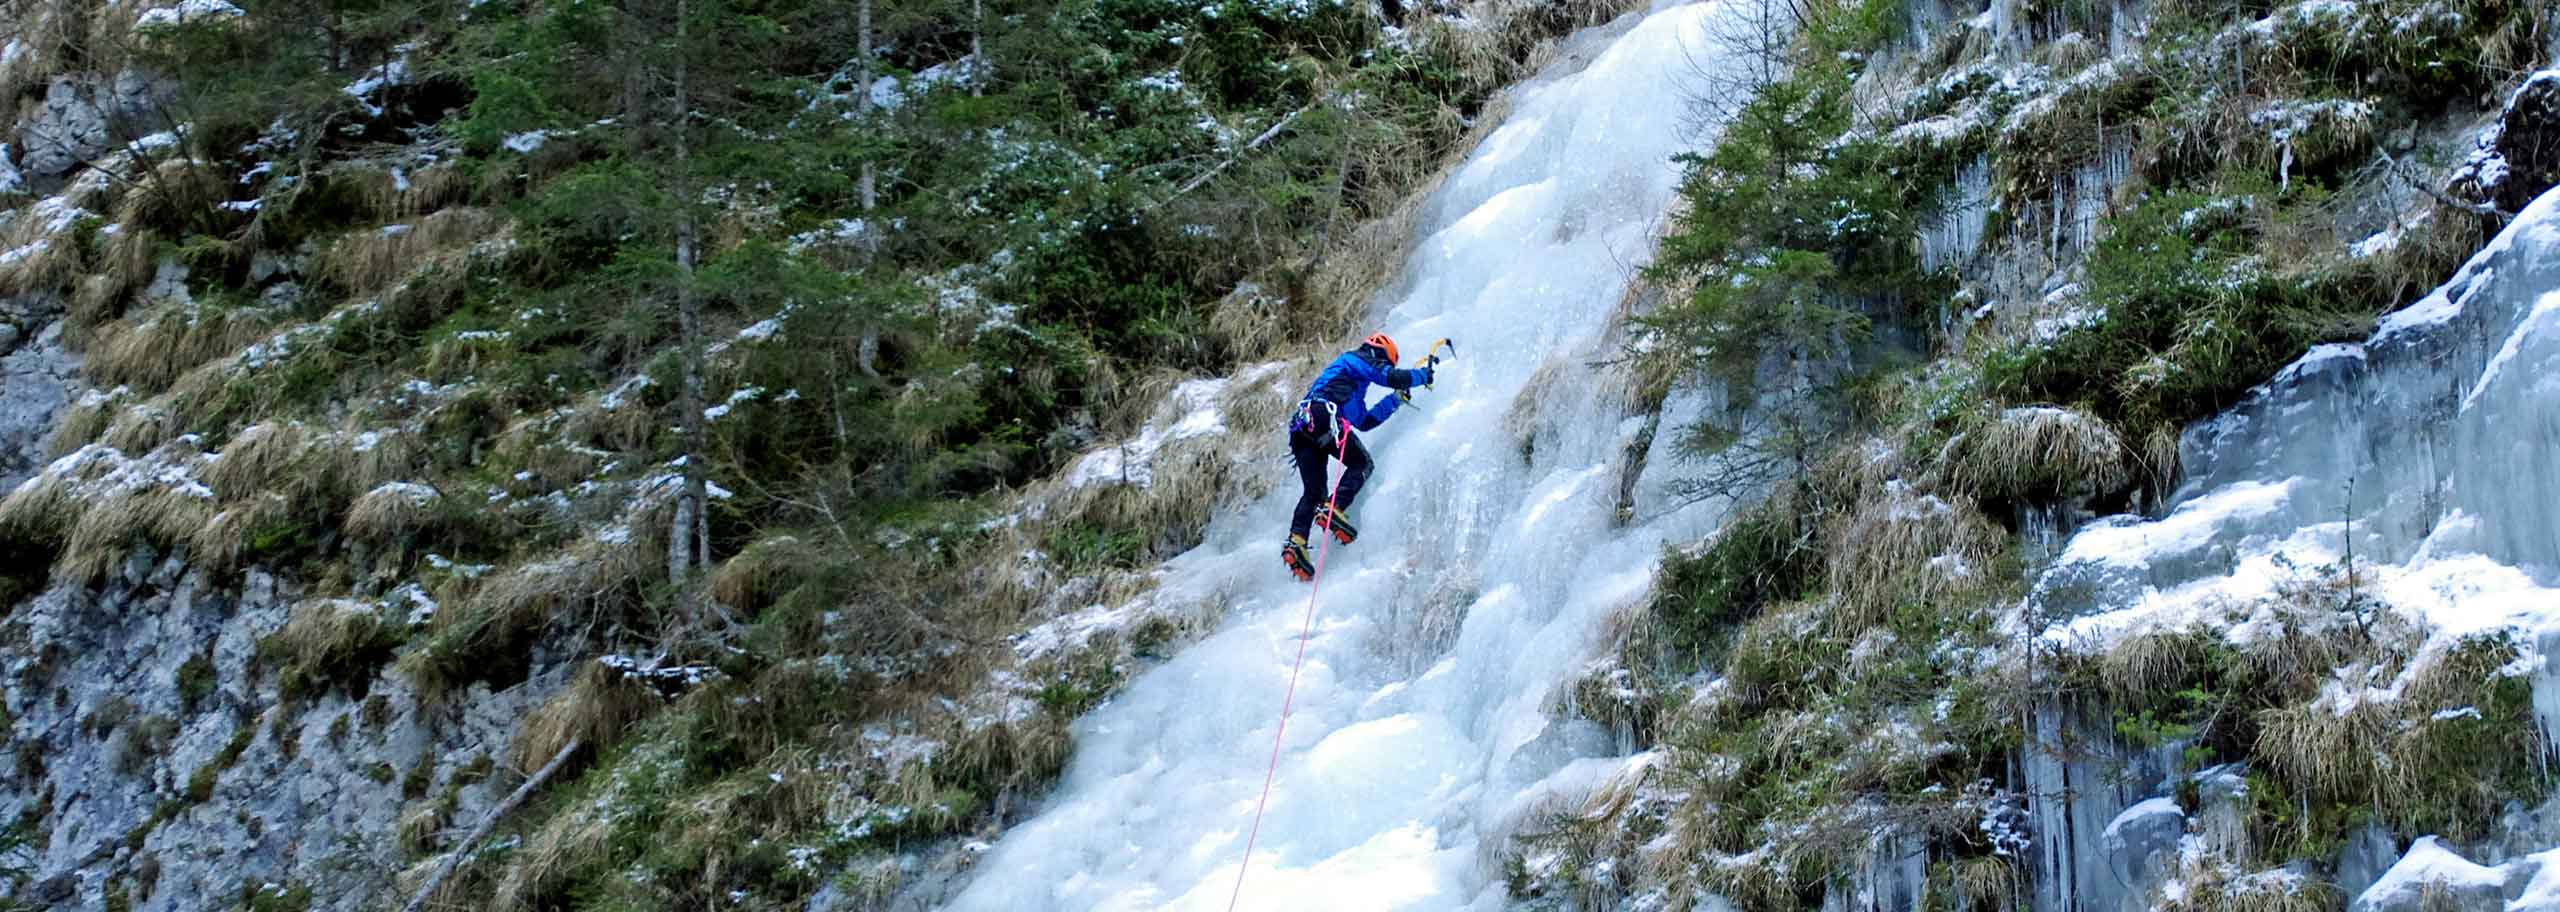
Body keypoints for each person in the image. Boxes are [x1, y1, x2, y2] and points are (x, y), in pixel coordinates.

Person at [1283, 332, 1434, 581]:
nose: (1383, 366)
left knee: (1313, 492)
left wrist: (1395, 400)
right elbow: (1389, 376)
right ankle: (1334, 507)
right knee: (1362, 463)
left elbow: (1364, 421)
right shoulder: (1355, 359)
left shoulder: (1350, 384)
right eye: (1384, 361)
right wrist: (1421, 376)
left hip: (1302, 427)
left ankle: (1296, 543)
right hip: (1322, 415)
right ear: (1377, 352)